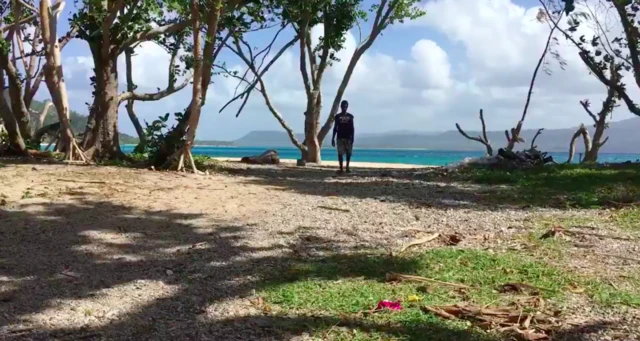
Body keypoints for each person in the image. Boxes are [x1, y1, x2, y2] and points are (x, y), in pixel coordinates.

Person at [331, 100, 355, 173]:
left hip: (348, 137)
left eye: (345, 106)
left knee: (348, 153)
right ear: (341, 107)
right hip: (340, 137)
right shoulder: (337, 116)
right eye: (343, 106)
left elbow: (352, 128)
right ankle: (341, 168)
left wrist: (352, 138)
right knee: (340, 153)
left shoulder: (350, 117)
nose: (344, 107)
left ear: (347, 107)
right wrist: (333, 138)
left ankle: (347, 167)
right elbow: (335, 127)